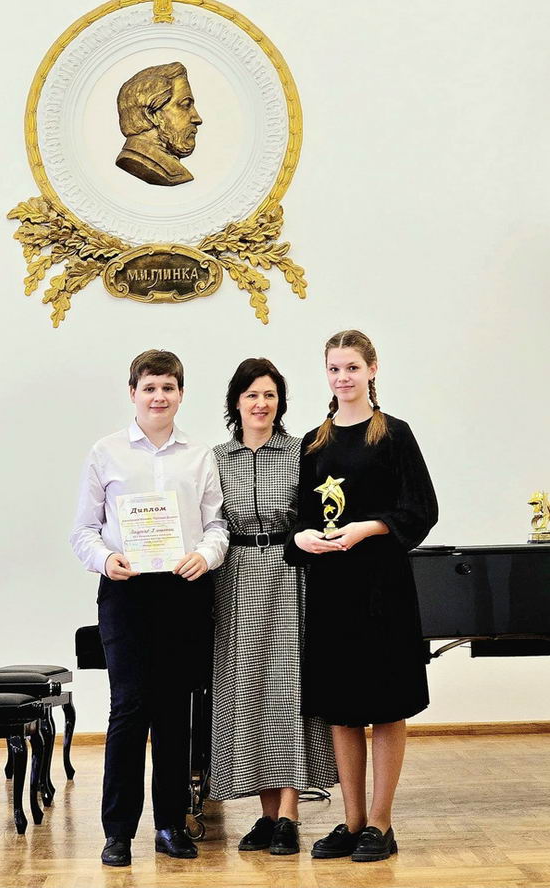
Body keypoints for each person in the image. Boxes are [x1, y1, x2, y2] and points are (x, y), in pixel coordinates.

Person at [70, 349, 228, 867]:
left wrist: (206, 555)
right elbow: (83, 531)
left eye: (168, 388)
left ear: (181, 393)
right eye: (149, 388)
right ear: (133, 393)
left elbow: (216, 525)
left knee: (174, 712)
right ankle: (117, 832)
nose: (159, 397)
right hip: (127, 592)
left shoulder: (199, 455)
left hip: (183, 591)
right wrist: (105, 558)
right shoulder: (106, 452)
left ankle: (169, 825)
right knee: (128, 708)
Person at [284, 330, 438, 863]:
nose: (342, 377)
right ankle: (351, 823)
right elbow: (301, 518)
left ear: (372, 369)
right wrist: (303, 538)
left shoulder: (394, 434)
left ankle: (380, 823)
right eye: (334, 368)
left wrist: (368, 528)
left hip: (382, 589)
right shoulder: (314, 442)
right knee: (342, 709)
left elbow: (421, 509)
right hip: (332, 591)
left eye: (351, 367)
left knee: (387, 705)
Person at [212, 358, 338, 856]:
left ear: (280, 401)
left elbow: (316, 515)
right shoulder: (216, 458)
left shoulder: (301, 452)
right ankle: (266, 816)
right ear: (236, 402)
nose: (261, 404)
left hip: (290, 573)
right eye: (252, 395)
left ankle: (289, 814)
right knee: (248, 693)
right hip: (234, 577)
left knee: (289, 689)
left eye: (269, 395)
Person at [115, 62, 202, 185]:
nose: (197, 118)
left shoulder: (172, 170)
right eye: (185, 105)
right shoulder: (168, 171)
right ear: (152, 114)